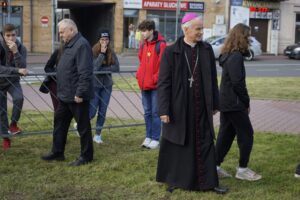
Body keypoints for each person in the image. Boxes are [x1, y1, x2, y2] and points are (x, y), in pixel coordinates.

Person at [156, 13, 227, 194]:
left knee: (204, 141)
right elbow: (163, 82)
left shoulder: (206, 49)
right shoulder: (171, 51)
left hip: (201, 106)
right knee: (179, 141)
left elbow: (212, 78)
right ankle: (175, 179)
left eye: (202, 28)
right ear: (185, 29)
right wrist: (163, 109)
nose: (201, 32)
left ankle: (209, 181)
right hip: (179, 106)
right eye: (198, 29)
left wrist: (215, 102)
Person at [41, 19, 94, 166]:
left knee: (83, 128)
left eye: (62, 32)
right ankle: (58, 152)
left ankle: (86, 156)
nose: (60, 35)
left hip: (77, 96)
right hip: (64, 96)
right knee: (59, 124)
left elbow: (85, 73)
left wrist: (80, 93)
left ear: (71, 30)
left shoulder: (82, 45)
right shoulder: (67, 45)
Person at [215, 23, 262, 181]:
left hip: (227, 102)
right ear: (242, 37)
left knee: (226, 134)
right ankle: (242, 169)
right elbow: (238, 83)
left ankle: (214, 166)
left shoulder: (229, 54)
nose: (249, 39)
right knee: (246, 134)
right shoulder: (235, 57)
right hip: (234, 103)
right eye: (247, 36)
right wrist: (246, 101)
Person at [136, 20, 166, 149]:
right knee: (147, 112)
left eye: (144, 31)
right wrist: (139, 75)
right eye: (141, 31)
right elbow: (141, 60)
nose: (142, 33)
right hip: (144, 85)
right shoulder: (143, 45)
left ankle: (155, 138)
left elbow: (164, 66)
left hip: (155, 86)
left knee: (155, 112)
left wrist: (155, 79)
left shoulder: (161, 45)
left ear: (151, 30)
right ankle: (148, 136)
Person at [89, 29, 119, 144]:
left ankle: (97, 134)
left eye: (106, 39)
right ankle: (80, 124)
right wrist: (101, 54)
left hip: (107, 86)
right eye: (102, 39)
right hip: (95, 85)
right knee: (92, 112)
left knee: (102, 111)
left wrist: (103, 70)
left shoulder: (111, 52)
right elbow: (94, 69)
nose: (104, 42)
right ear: (98, 40)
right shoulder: (93, 51)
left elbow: (116, 68)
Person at [0, 23, 28, 150]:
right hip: (1, 82)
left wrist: (16, 52)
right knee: (2, 111)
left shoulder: (21, 48)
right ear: (3, 36)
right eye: (8, 35)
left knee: (19, 98)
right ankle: (6, 138)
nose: (11, 38)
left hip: (13, 82)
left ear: (17, 34)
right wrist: (16, 71)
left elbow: (22, 66)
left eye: (13, 35)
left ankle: (13, 124)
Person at [39, 43, 64, 111]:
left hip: (70, 85)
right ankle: (58, 121)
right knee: (58, 109)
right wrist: (57, 75)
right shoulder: (58, 51)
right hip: (55, 84)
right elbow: (47, 67)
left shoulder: (77, 51)